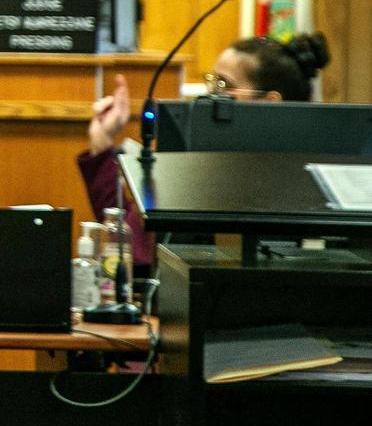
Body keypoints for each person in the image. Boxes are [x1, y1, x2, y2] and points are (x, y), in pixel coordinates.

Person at [77, 32, 331, 278]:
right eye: (211, 81)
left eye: (223, 85)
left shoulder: (283, 182)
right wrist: (101, 140)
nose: (208, 95)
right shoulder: (200, 164)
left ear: (269, 102)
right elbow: (132, 243)